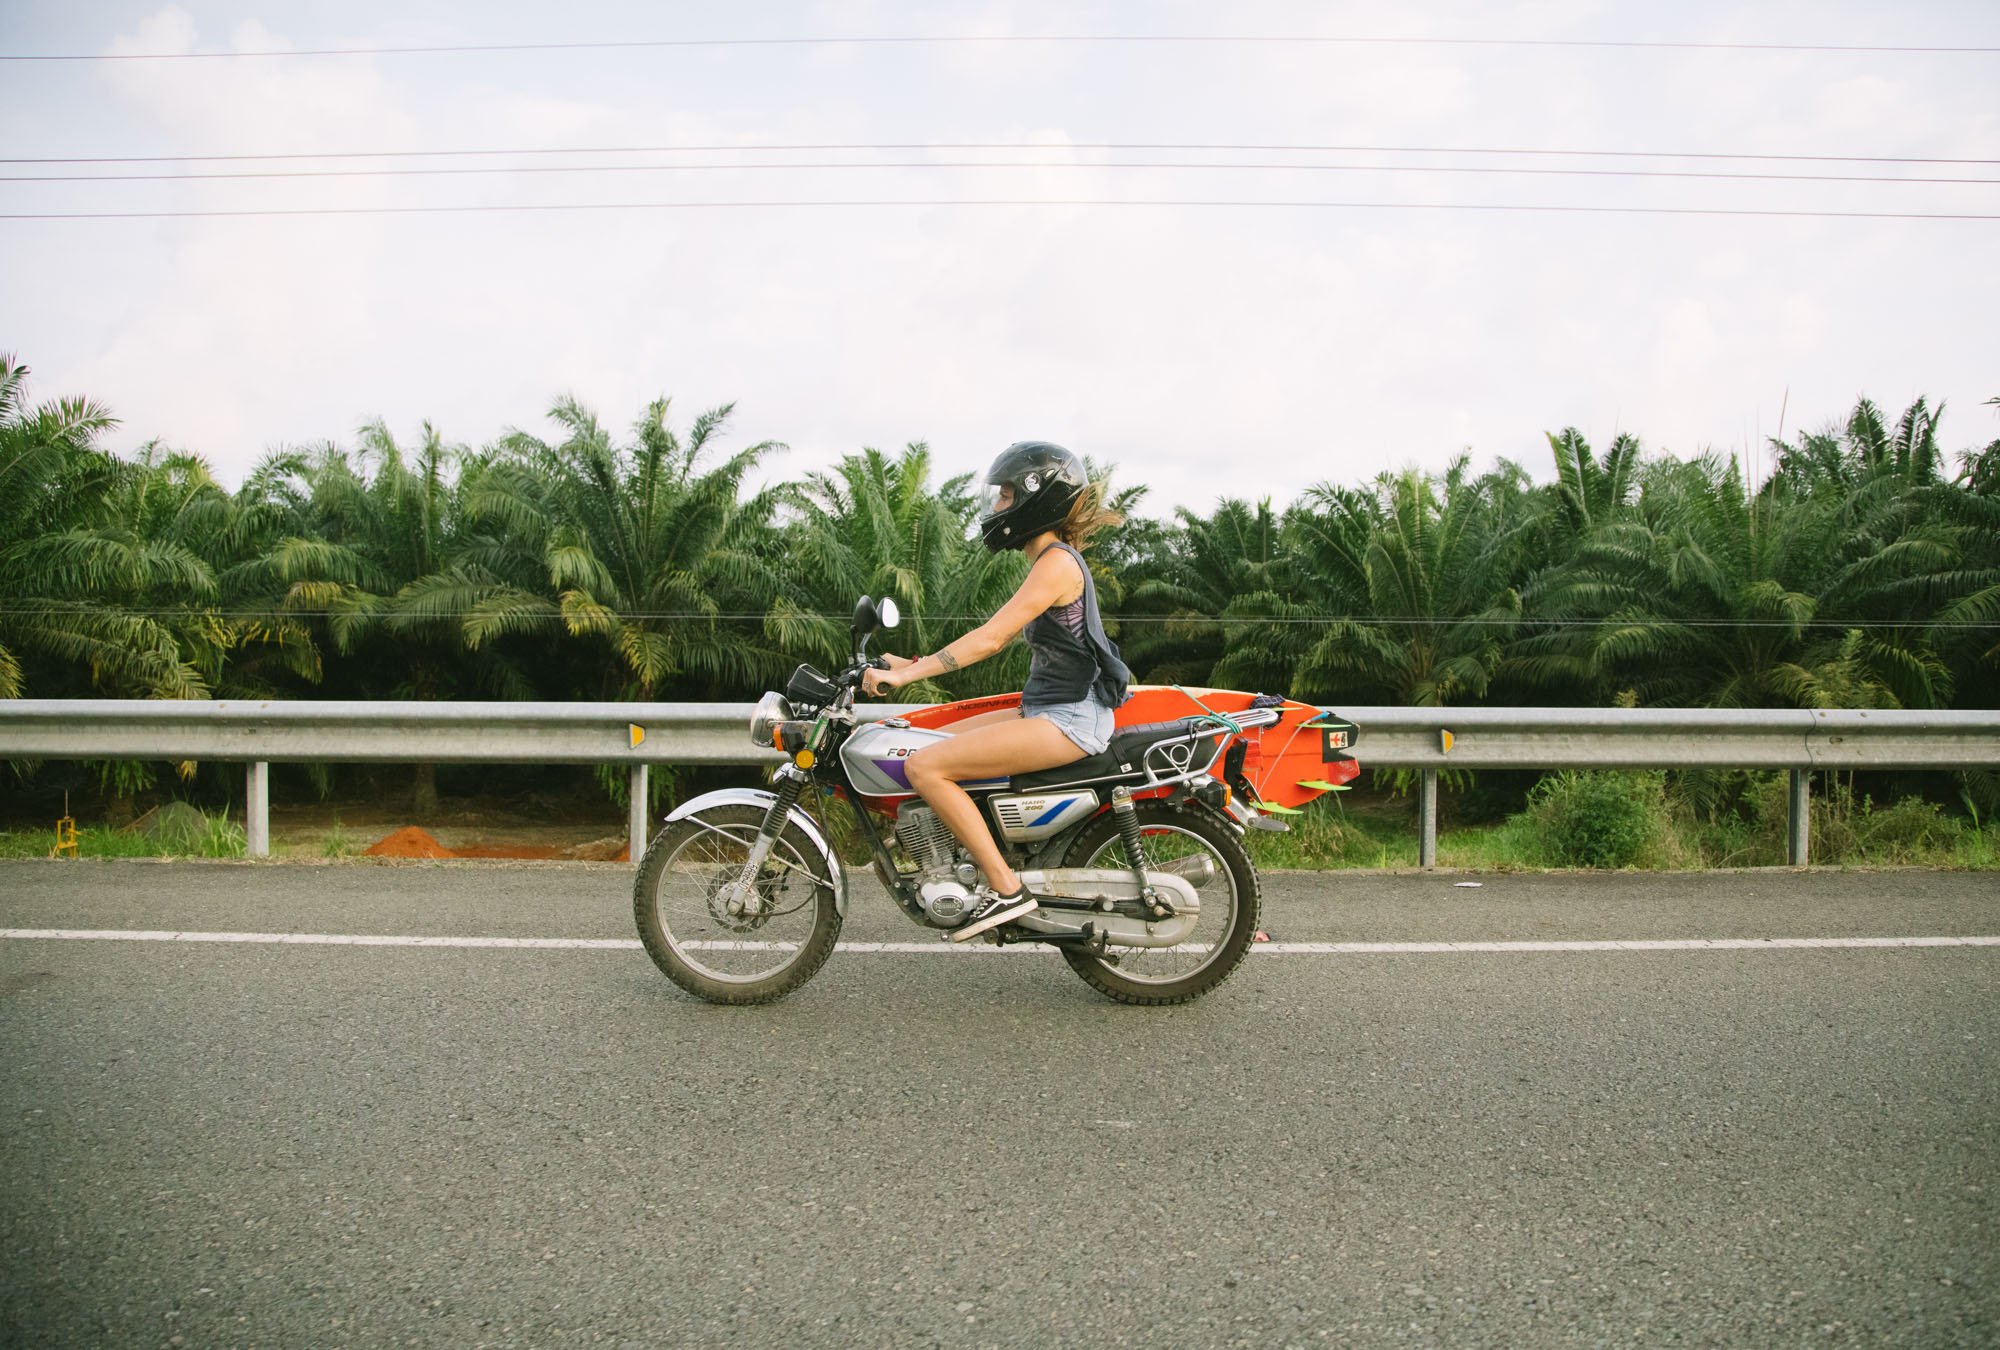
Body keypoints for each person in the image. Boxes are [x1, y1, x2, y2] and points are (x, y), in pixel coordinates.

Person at [861, 441, 1134, 942]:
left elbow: (990, 638)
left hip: (1071, 720)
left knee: (926, 766)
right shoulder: (1050, 560)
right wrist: (912, 663)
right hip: (1052, 710)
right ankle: (966, 861)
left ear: (1037, 498)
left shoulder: (1056, 564)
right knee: (924, 739)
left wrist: (905, 678)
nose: (998, 507)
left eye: (1006, 496)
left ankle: (1007, 890)